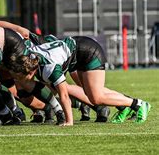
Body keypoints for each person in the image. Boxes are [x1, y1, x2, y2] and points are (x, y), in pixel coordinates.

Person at [10, 36, 151, 126]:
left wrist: (69, 121)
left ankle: (138, 104)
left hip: (88, 52)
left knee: (96, 97)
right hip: (78, 52)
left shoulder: (49, 68)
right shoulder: (30, 57)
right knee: (93, 92)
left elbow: (64, 95)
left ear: (32, 71)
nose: (19, 79)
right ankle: (126, 106)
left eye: (22, 76)